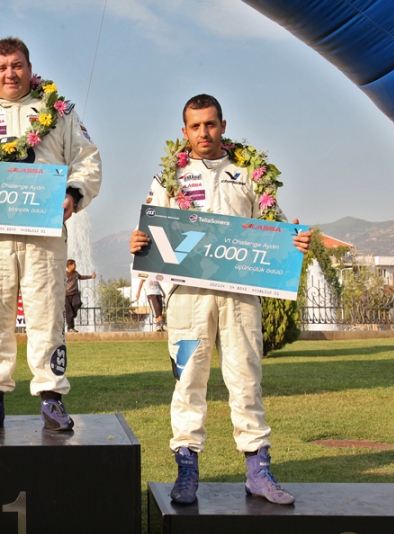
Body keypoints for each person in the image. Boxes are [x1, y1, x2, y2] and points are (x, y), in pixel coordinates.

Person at [129, 94, 311, 505]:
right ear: (184, 131)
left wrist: (292, 240)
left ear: (223, 126)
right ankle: (186, 470)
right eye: (195, 126)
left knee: (246, 379)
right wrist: (138, 242)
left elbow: (274, 228)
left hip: (239, 296)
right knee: (188, 381)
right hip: (187, 297)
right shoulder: (169, 178)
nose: (204, 133)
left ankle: (258, 471)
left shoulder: (249, 174)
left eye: (210, 124)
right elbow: (151, 230)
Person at [0, 37, 102, 432]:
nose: (10, 73)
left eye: (17, 65)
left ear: (29, 67)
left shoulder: (59, 112)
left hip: (43, 235)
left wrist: (73, 194)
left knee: (47, 316)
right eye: (2, 67)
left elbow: (87, 160)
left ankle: (52, 397)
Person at [65, 259, 95, 333]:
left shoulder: (75, 273)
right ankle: (70, 328)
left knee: (77, 303)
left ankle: (74, 313)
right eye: (74, 265)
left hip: (75, 293)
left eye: (75, 264)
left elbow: (81, 277)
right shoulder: (64, 274)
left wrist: (90, 276)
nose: (75, 266)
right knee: (69, 312)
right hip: (66, 295)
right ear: (69, 265)